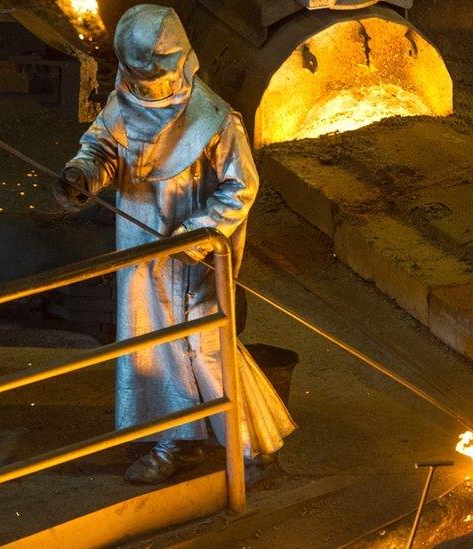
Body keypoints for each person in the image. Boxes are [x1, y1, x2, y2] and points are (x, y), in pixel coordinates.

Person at [53, 4, 295, 485]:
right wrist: (82, 176)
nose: (143, 91)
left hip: (193, 259)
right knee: (151, 352)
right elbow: (102, 148)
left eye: (151, 81)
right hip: (140, 257)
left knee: (205, 351)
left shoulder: (215, 121)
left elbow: (240, 187)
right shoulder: (123, 103)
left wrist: (198, 235)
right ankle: (174, 443)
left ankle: (254, 449)